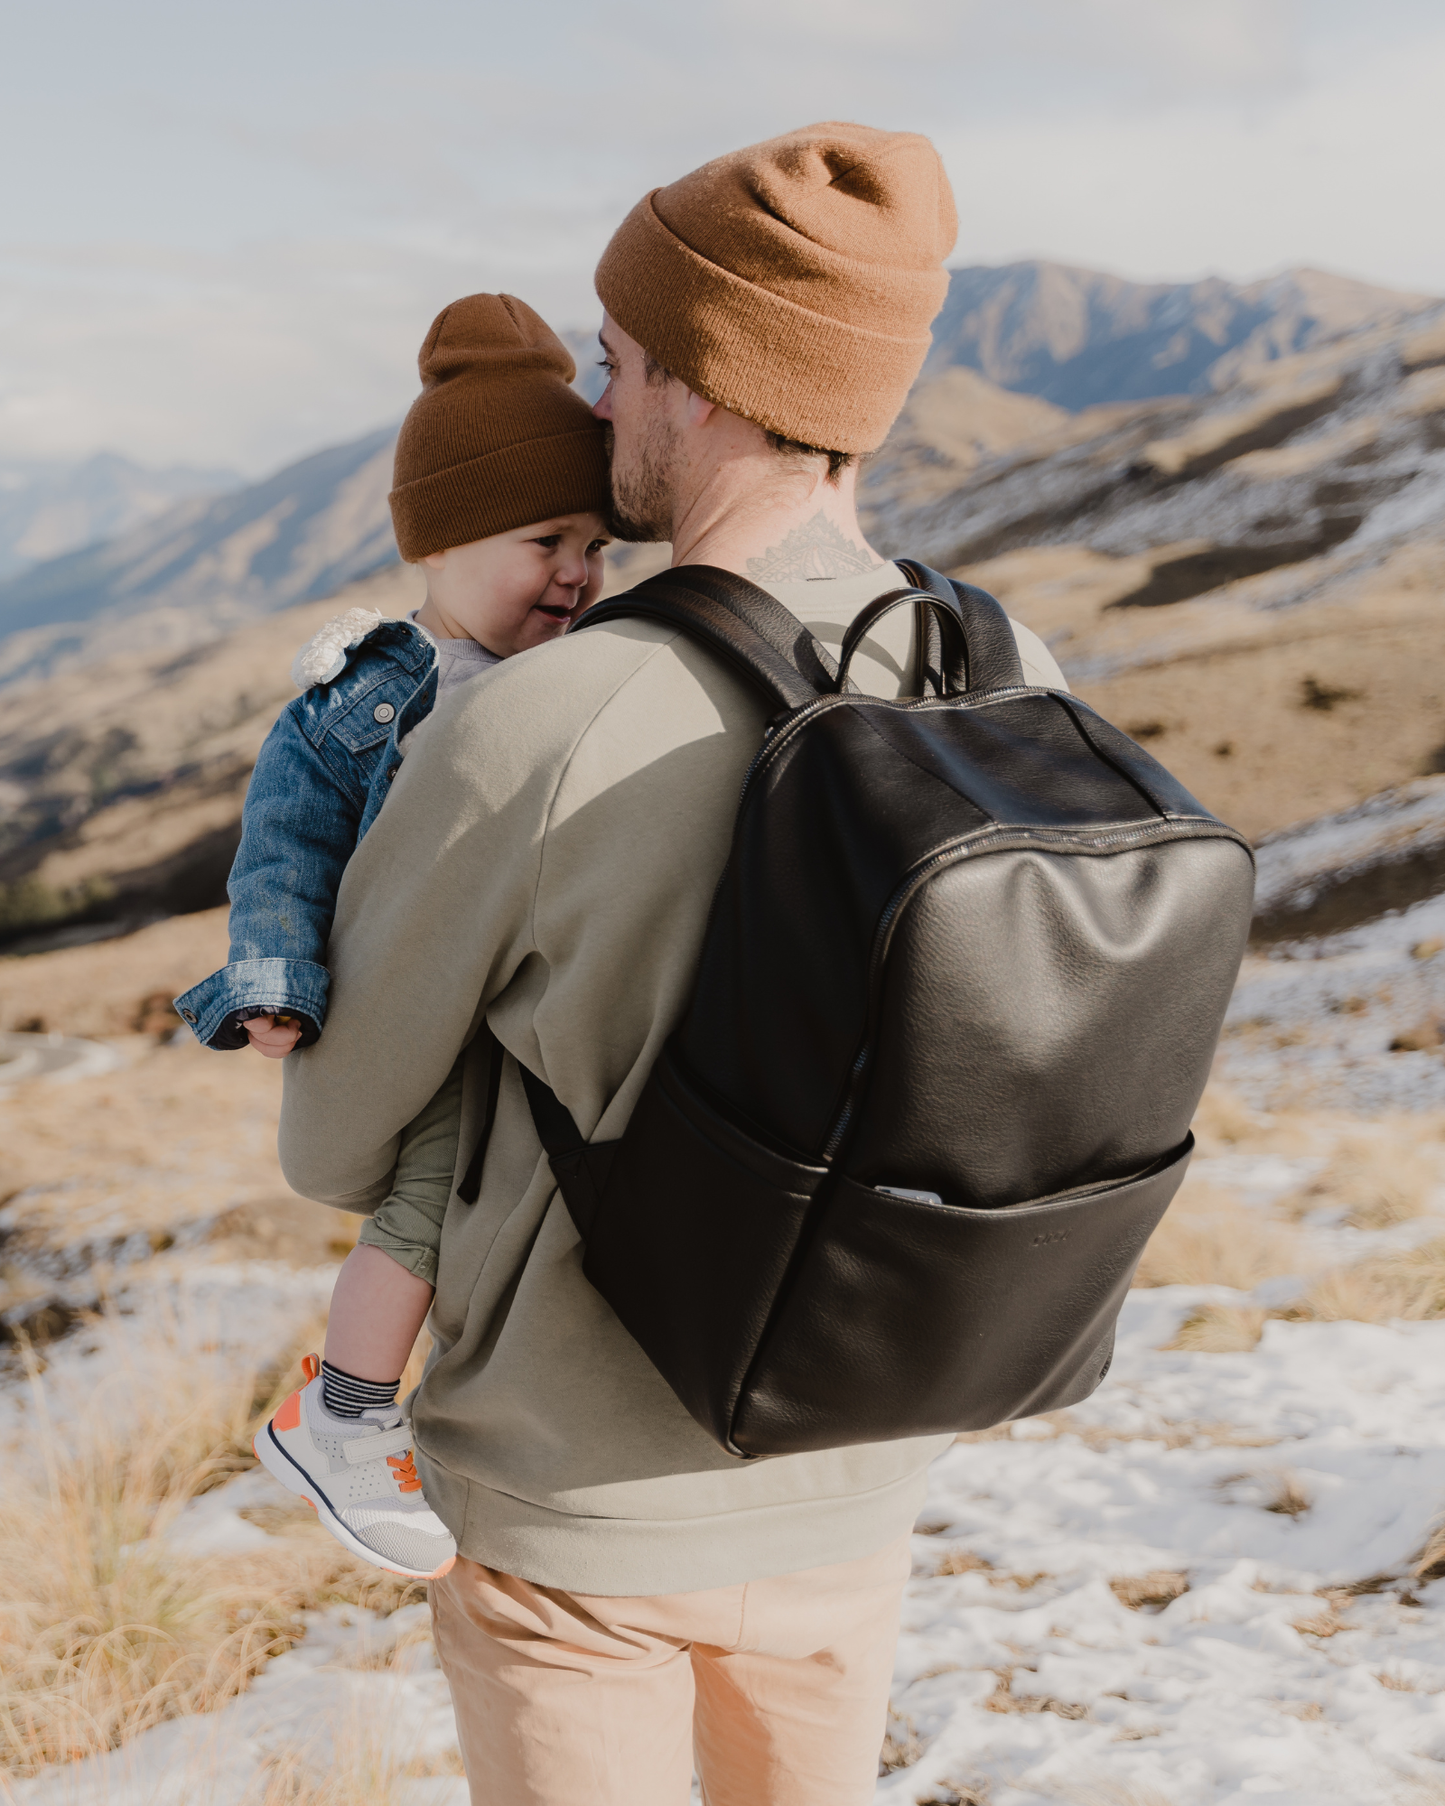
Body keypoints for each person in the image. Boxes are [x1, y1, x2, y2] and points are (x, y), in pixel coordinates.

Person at [278, 122, 1067, 1805]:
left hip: (582, 1518)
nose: (602, 402)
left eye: (622, 359)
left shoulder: (544, 718)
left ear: (709, 382)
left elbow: (332, 1139)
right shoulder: (1006, 669)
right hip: (863, 1464)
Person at [174, 293, 612, 1580]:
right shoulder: (367, 693)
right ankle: (346, 1412)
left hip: (524, 996)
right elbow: (285, 845)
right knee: (421, 1207)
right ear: (449, 536)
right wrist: (276, 982)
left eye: (594, 542)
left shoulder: (584, 666)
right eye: (546, 538)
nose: (577, 570)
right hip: (412, 1004)